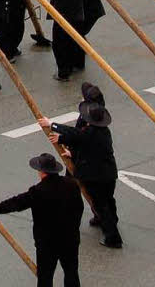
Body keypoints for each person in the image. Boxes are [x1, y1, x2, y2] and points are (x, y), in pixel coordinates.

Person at [0, 152, 83, 287]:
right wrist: (73, 228)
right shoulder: (71, 185)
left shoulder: (38, 191)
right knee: (71, 273)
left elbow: (17, 203)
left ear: (42, 172)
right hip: (70, 239)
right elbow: (79, 209)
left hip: (47, 243)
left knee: (45, 277)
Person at [41, 100, 122, 248]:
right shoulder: (104, 132)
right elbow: (86, 145)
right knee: (108, 200)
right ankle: (112, 221)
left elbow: (75, 135)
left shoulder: (90, 132)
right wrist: (72, 152)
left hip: (96, 176)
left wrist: (52, 124)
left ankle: (113, 236)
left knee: (100, 205)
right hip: (109, 173)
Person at [44, 0, 86, 82]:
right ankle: (77, 64)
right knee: (75, 42)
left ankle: (63, 72)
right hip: (78, 17)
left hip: (63, 18)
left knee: (59, 45)